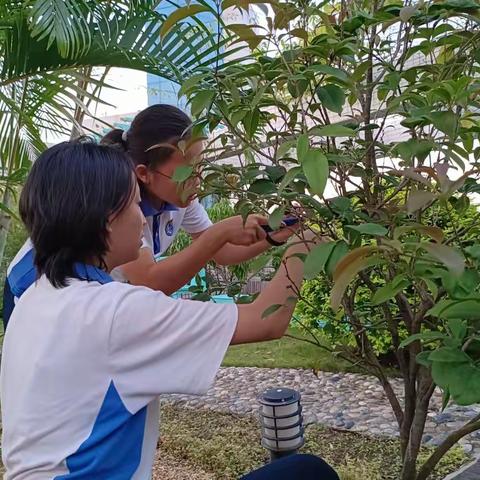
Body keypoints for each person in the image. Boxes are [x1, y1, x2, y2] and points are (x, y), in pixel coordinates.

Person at [0, 139, 339, 480]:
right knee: (308, 474)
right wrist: (304, 245)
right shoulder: (117, 313)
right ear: (106, 221)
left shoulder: (34, 300)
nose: (142, 220)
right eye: (135, 206)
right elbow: (267, 320)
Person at [2, 104, 297, 330]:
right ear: (144, 173)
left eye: (201, 165)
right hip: (37, 289)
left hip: (87, 297)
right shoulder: (117, 208)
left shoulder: (179, 195)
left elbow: (220, 252)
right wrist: (219, 233)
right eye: (188, 169)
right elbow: (151, 282)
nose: (199, 178)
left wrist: (272, 236)